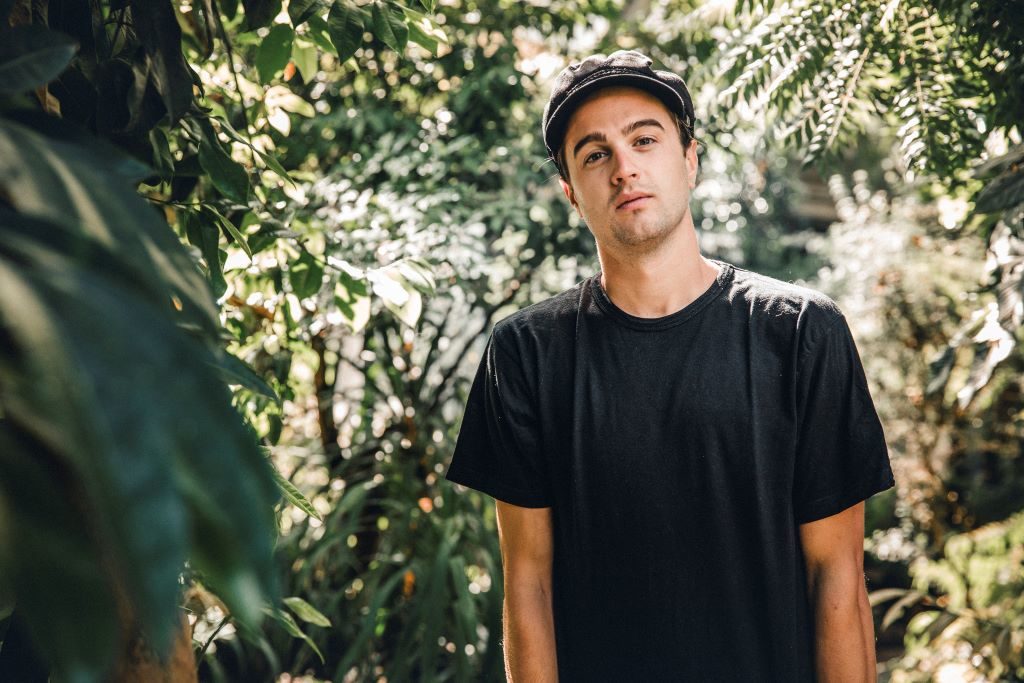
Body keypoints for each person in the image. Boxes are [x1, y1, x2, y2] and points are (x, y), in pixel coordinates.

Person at [445, 49, 896, 681]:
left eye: (644, 140)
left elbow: (837, 578)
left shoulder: (800, 333)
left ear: (689, 160)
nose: (624, 167)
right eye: (595, 154)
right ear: (571, 192)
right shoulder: (526, 353)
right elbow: (528, 586)